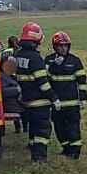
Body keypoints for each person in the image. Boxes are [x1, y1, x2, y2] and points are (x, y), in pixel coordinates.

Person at [15, 23, 54, 163]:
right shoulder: (35, 58)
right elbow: (42, 83)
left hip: (26, 101)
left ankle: (33, 153)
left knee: (33, 128)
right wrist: (54, 98)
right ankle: (40, 158)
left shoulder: (19, 56)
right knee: (42, 130)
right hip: (40, 102)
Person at [46, 30, 87, 159]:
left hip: (72, 104)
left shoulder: (75, 61)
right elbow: (44, 78)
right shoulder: (49, 60)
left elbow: (81, 81)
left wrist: (83, 98)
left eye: (66, 45)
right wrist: (53, 65)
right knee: (59, 128)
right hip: (56, 103)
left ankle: (75, 152)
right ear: (55, 46)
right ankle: (66, 148)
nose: (63, 48)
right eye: (61, 45)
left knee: (73, 128)